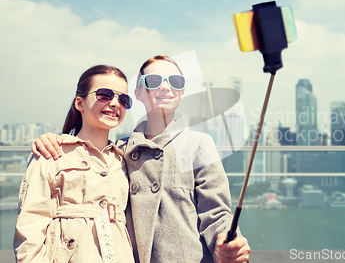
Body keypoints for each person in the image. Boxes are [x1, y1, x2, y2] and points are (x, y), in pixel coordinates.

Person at [32, 55, 251, 263]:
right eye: (154, 81)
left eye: (175, 81)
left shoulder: (199, 144)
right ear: (138, 94)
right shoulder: (118, 152)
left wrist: (228, 242)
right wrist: (53, 141)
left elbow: (215, 212)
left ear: (182, 92)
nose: (166, 87)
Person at [15, 65, 135, 263]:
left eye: (123, 99)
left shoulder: (125, 159)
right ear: (80, 102)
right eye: (104, 95)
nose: (115, 103)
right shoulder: (52, 153)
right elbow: (31, 225)